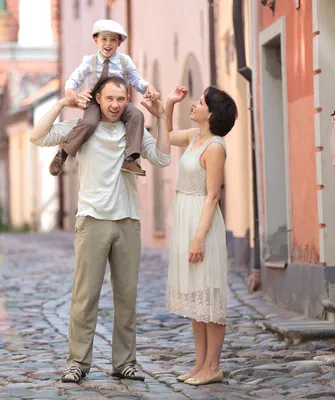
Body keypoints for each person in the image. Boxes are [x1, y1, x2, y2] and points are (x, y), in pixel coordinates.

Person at [30, 76, 171, 384]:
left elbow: (162, 157)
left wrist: (161, 118)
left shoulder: (133, 130)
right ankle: (77, 363)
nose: (115, 105)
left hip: (127, 221)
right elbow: (37, 137)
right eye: (109, 99)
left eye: (121, 99)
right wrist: (61, 103)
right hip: (92, 220)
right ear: (97, 100)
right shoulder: (85, 128)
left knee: (126, 297)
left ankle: (125, 363)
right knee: (85, 297)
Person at [164, 84, 237, 386]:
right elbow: (167, 137)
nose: (194, 104)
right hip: (186, 217)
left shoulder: (215, 147)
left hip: (202, 223)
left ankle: (213, 366)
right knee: (196, 297)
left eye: (201, 102)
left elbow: (212, 196)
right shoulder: (195, 138)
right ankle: (199, 364)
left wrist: (198, 237)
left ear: (212, 114)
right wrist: (168, 104)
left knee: (210, 297)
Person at [48, 19, 160, 178]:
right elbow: (74, 80)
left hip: (118, 101)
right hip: (96, 101)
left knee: (137, 115)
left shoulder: (124, 61)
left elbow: (136, 80)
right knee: (89, 122)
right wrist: (70, 91)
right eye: (104, 39)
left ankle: (130, 158)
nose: (108, 44)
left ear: (119, 43)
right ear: (96, 40)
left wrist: (148, 87)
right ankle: (63, 153)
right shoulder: (89, 61)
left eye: (113, 40)